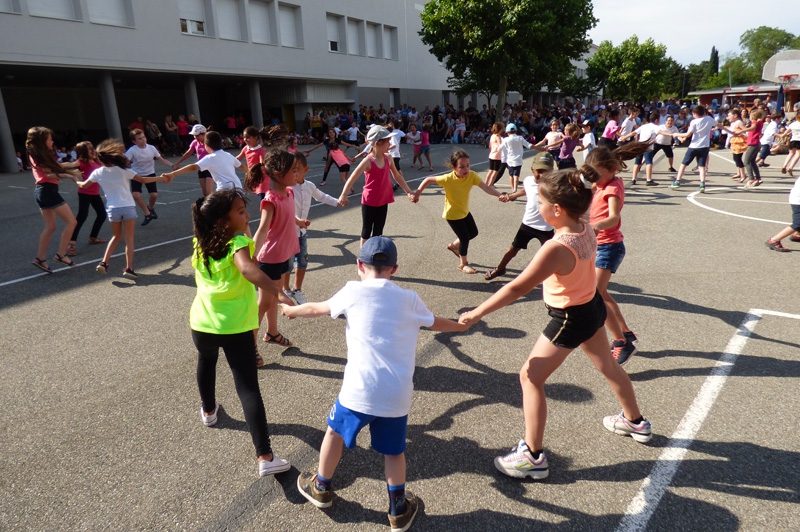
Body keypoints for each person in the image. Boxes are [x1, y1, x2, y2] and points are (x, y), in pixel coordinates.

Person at [458, 166, 652, 481]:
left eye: (540, 202)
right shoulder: (585, 226)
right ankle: (635, 421)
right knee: (607, 364)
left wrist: (477, 312)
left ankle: (532, 456)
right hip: (591, 308)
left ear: (557, 209)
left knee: (530, 376)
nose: (537, 207)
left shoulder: (557, 246)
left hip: (570, 318)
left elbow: (517, 287)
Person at [283, 236, 465, 531]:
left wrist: (291, 310)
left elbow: (318, 308)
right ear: (394, 268)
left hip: (358, 391)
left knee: (334, 433)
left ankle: (321, 487)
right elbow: (436, 322)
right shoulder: (409, 298)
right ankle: (398, 509)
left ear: (359, 266)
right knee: (394, 452)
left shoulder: (353, 291)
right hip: (396, 395)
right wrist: (461, 324)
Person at [189, 189, 291, 477]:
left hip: (202, 323)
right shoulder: (239, 243)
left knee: (206, 363)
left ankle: (209, 411)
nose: (246, 215)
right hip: (234, 326)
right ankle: (265, 456)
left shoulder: (199, 243)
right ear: (223, 221)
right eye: (240, 212)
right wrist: (279, 293)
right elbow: (247, 269)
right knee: (248, 388)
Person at [586, 142, 651, 364]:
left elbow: (614, 217)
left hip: (609, 246)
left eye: (597, 175)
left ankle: (621, 341)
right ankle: (625, 331)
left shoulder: (613, 188)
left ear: (612, 168)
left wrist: (596, 225)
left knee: (594, 295)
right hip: (599, 245)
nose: (594, 180)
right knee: (601, 294)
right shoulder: (601, 183)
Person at [76, 139, 171, 279]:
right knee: (129, 239)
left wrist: (76, 179)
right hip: (127, 207)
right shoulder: (124, 171)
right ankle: (129, 268)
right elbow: (144, 180)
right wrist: (161, 178)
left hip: (113, 209)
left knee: (116, 237)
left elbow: (83, 185)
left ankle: (104, 262)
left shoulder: (98, 172)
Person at [413, 149, 509, 274]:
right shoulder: (448, 178)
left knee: (473, 233)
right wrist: (417, 194)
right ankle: (463, 264)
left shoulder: (472, 175)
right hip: (452, 214)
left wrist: (499, 194)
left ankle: (454, 246)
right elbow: (428, 180)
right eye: (461, 167)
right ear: (454, 167)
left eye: (468, 165)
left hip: (464, 211)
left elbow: (485, 187)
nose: (466, 169)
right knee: (464, 238)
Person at [249, 149, 300, 348]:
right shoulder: (270, 200)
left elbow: (288, 213)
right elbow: (262, 230)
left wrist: (298, 222)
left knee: (271, 299)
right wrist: (251, 254)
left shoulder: (288, 192)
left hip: (281, 256)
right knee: (263, 303)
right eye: (293, 171)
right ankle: (249, 346)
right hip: (269, 258)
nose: (297, 174)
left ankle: (272, 332)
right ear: (279, 174)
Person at [282, 153, 343, 304]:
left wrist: (337, 202)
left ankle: (297, 290)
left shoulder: (309, 186)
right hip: (288, 234)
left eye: (297, 170)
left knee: (302, 261)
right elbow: (284, 211)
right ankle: (285, 290)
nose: (293, 173)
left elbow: (321, 196)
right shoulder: (287, 188)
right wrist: (297, 221)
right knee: (287, 264)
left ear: (306, 170)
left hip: (302, 233)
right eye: (291, 170)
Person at [339, 126, 415, 246]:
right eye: (387, 142)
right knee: (366, 230)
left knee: (378, 231)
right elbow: (352, 178)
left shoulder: (388, 158)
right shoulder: (368, 161)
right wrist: (343, 195)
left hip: (383, 199)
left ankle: (374, 254)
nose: (389, 144)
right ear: (377, 143)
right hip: (370, 200)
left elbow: (397, 176)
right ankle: (363, 258)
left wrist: (409, 191)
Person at [485, 152, 555, 281]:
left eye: (546, 171)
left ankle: (558, 279)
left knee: (551, 256)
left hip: (546, 228)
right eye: (539, 171)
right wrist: (510, 196)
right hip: (527, 224)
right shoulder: (528, 180)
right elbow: (525, 190)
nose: (542, 175)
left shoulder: (555, 186)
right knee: (512, 249)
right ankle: (500, 269)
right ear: (532, 169)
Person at [26, 126, 79, 273]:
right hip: (47, 191)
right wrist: (70, 173)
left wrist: (69, 173)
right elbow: (50, 173)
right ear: (42, 141)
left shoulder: (37, 155)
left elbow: (51, 172)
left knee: (50, 227)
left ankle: (40, 258)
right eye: (50, 139)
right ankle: (61, 254)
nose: (52, 141)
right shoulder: (39, 155)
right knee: (72, 222)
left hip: (42, 192)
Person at [61, 142, 106, 256]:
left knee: (102, 214)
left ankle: (93, 237)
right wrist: (52, 164)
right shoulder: (81, 162)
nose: (93, 151)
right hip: (85, 193)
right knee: (81, 217)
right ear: (84, 152)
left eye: (92, 148)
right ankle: (71, 244)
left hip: (95, 193)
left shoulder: (96, 161)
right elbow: (67, 165)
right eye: (89, 149)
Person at [166, 131, 243, 192]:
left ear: (207, 146)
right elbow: (241, 166)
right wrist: (250, 173)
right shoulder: (228, 154)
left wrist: (173, 174)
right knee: (240, 211)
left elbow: (193, 167)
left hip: (225, 190)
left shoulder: (210, 158)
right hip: (238, 188)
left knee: (215, 210)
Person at [125, 128, 171, 226]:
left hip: (150, 173)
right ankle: (147, 214)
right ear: (134, 141)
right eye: (139, 139)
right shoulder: (132, 150)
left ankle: (151, 208)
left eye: (144, 137)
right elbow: (125, 162)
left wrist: (172, 165)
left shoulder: (151, 148)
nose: (143, 140)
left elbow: (161, 160)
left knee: (154, 195)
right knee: (136, 195)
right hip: (136, 174)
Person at [671, 105, 718, 193]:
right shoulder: (708, 119)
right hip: (704, 146)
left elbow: (687, 135)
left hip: (694, 146)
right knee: (702, 166)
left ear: (695, 114)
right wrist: (731, 132)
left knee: (684, 164)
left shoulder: (694, 122)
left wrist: (676, 134)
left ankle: (677, 181)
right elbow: (719, 125)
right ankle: (702, 184)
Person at [619, 112, 660, 186]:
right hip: (648, 147)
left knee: (637, 162)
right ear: (656, 120)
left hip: (639, 145)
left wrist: (624, 137)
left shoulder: (644, 126)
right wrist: (671, 134)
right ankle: (649, 179)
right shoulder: (655, 127)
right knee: (649, 162)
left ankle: (633, 179)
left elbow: (633, 133)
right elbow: (661, 132)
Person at [174, 124, 213, 196]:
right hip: (201, 167)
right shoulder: (195, 142)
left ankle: (214, 205)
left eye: (197, 135)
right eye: (194, 135)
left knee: (208, 192)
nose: (195, 137)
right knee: (205, 193)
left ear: (204, 134)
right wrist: (178, 162)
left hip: (210, 168)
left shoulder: (210, 142)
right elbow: (188, 153)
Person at [765, 173, 800, 251]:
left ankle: (797, 235)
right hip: (798, 201)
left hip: (796, 198)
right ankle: (773, 240)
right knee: (798, 223)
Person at [502, 123, 534, 193]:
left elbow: (500, 148)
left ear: (507, 132)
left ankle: (512, 188)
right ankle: (515, 189)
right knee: (516, 175)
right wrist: (538, 147)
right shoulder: (520, 138)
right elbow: (528, 145)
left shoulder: (506, 139)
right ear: (516, 131)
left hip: (509, 160)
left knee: (511, 175)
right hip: (518, 160)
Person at [485, 122, 505, 186]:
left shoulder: (492, 136)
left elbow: (490, 146)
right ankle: (490, 184)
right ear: (500, 129)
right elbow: (500, 146)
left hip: (492, 154)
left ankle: (486, 183)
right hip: (497, 155)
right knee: (495, 171)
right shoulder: (498, 136)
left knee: (491, 170)